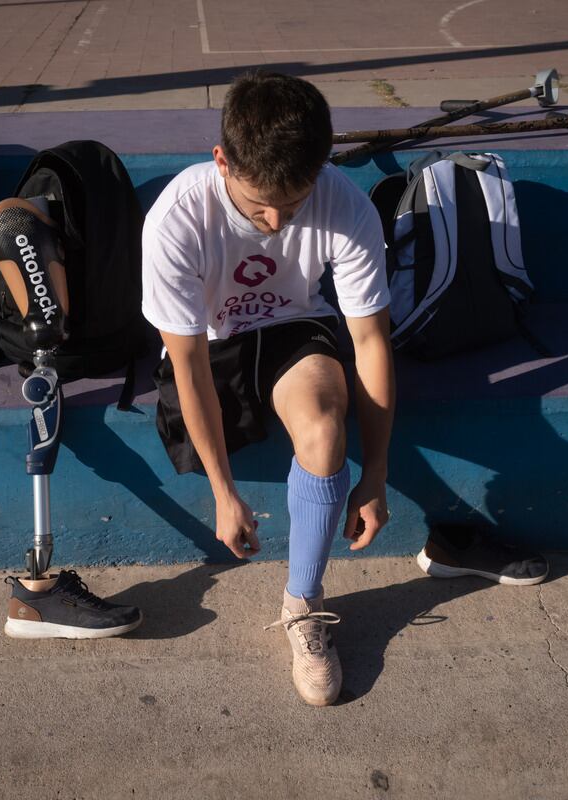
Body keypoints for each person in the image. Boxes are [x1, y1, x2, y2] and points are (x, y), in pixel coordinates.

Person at [141, 71, 394, 706]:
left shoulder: (346, 203)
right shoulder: (178, 216)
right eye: (258, 206)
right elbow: (190, 363)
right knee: (191, 402)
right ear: (221, 160)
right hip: (209, 340)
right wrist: (223, 492)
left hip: (293, 329)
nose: (277, 221)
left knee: (325, 426)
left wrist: (377, 472)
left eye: (295, 201)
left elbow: (369, 342)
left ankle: (303, 605)